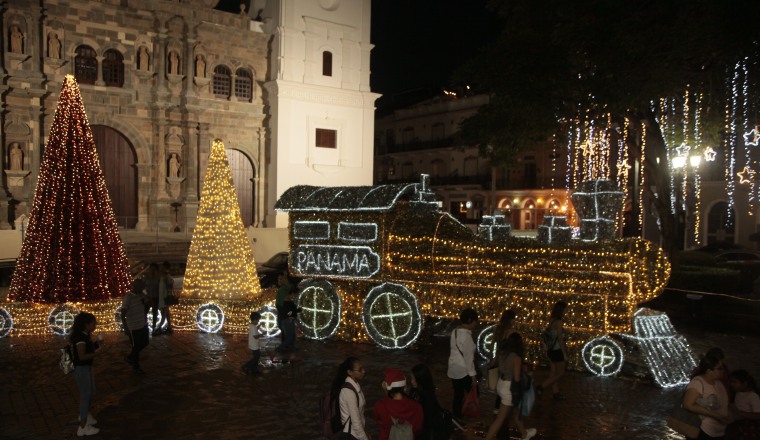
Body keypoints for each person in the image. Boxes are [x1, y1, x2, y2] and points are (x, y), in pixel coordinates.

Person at [484, 333, 537, 440]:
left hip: (500, 383)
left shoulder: (502, 353)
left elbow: (492, 363)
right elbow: (517, 378)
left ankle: (525, 434)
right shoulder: (516, 358)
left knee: (516, 411)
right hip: (509, 388)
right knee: (500, 419)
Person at [70, 312, 104, 437]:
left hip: (87, 367)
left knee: (91, 391)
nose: (95, 326)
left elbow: (88, 349)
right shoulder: (80, 338)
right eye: (93, 324)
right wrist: (98, 353)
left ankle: (86, 415)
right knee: (85, 395)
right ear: (86, 325)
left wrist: (97, 344)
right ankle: (83, 427)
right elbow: (82, 356)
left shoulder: (86, 335)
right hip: (81, 369)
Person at [683, 353, 730, 440]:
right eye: (719, 369)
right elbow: (688, 404)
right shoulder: (698, 383)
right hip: (703, 430)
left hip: (719, 431)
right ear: (709, 371)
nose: (723, 371)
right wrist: (716, 416)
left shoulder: (719, 383)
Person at [373, 368, 424, 440]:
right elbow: (417, 429)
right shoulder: (417, 407)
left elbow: (378, 420)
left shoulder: (380, 406)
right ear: (405, 388)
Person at [447, 307, 478, 423]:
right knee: (474, 392)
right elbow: (469, 359)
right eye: (475, 321)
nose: (476, 323)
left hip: (453, 368)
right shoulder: (467, 337)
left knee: (457, 394)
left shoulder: (454, 331)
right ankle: (468, 412)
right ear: (470, 321)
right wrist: (473, 377)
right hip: (463, 370)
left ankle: (456, 416)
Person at [331, 357, 369, 440]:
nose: (363, 371)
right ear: (350, 372)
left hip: (356, 434)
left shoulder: (355, 387)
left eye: (363, 368)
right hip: (352, 435)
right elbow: (355, 421)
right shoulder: (348, 392)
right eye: (359, 370)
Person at [410, 363, 450, 440]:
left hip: (426, 432)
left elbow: (428, 420)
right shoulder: (415, 390)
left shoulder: (427, 397)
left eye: (413, 379)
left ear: (420, 380)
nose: (411, 381)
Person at [538, 300, 568, 400]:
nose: (566, 311)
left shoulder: (552, 320)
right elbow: (560, 338)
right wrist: (564, 353)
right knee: (560, 373)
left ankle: (556, 393)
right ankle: (541, 387)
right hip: (557, 350)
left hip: (550, 350)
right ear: (561, 310)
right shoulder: (559, 322)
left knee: (553, 371)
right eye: (565, 309)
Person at [490, 309, 517, 411]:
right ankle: (503, 406)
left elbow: (493, 344)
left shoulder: (498, 329)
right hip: (506, 359)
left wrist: (492, 358)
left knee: (500, 382)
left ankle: (497, 406)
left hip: (498, 358)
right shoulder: (511, 332)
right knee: (506, 382)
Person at [121, 279, 149, 374]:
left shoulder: (141, 295)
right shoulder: (128, 297)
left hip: (142, 324)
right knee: (135, 346)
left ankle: (131, 357)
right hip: (133, 327)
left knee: (145, 342)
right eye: (140, 287)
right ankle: (136, 366)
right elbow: (123, 314)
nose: (142, 289)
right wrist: (126, 328)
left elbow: (149, 304)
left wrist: (147, 299)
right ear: (135, 287)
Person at [726, 369, 760, 439]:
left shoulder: (753, 396)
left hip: (747, 427)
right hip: (737, 424)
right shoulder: (738, 392)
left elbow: (758, 416)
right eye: (731, 381)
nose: (731, 384)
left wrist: (739, 412)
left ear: (744, 384)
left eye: (734, 382)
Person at [276, 286, 300, 354]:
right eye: (295, 294)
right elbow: (288, 313)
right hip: (287, 321)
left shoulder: (288, 301)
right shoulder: (286, 301)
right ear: (292, 293)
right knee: (289, 338)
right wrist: (294, 312)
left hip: (288, 321)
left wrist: (295, 311)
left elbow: (291, 311)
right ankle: (278, 349)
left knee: (293, 338)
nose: (295, 296)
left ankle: (293, 351)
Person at [143, 263, 161, 336]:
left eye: (154, 269)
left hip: (156, 297)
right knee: (145, 312)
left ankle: (153, 327)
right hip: (148, 297)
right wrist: (145, 294)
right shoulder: (147, 277)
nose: (152, 271)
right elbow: (143, 286)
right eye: (151, 269)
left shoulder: (158, 278)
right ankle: (145, 327)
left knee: (155, 312)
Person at [157, 261, 174, 334]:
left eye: (163, 268)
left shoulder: (166, 276)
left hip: (165, 298)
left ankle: (159, 328)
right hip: (163, 298)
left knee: (164, 313)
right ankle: (169, 327)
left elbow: (170, 285)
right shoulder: (162, 276)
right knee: (166, 313)